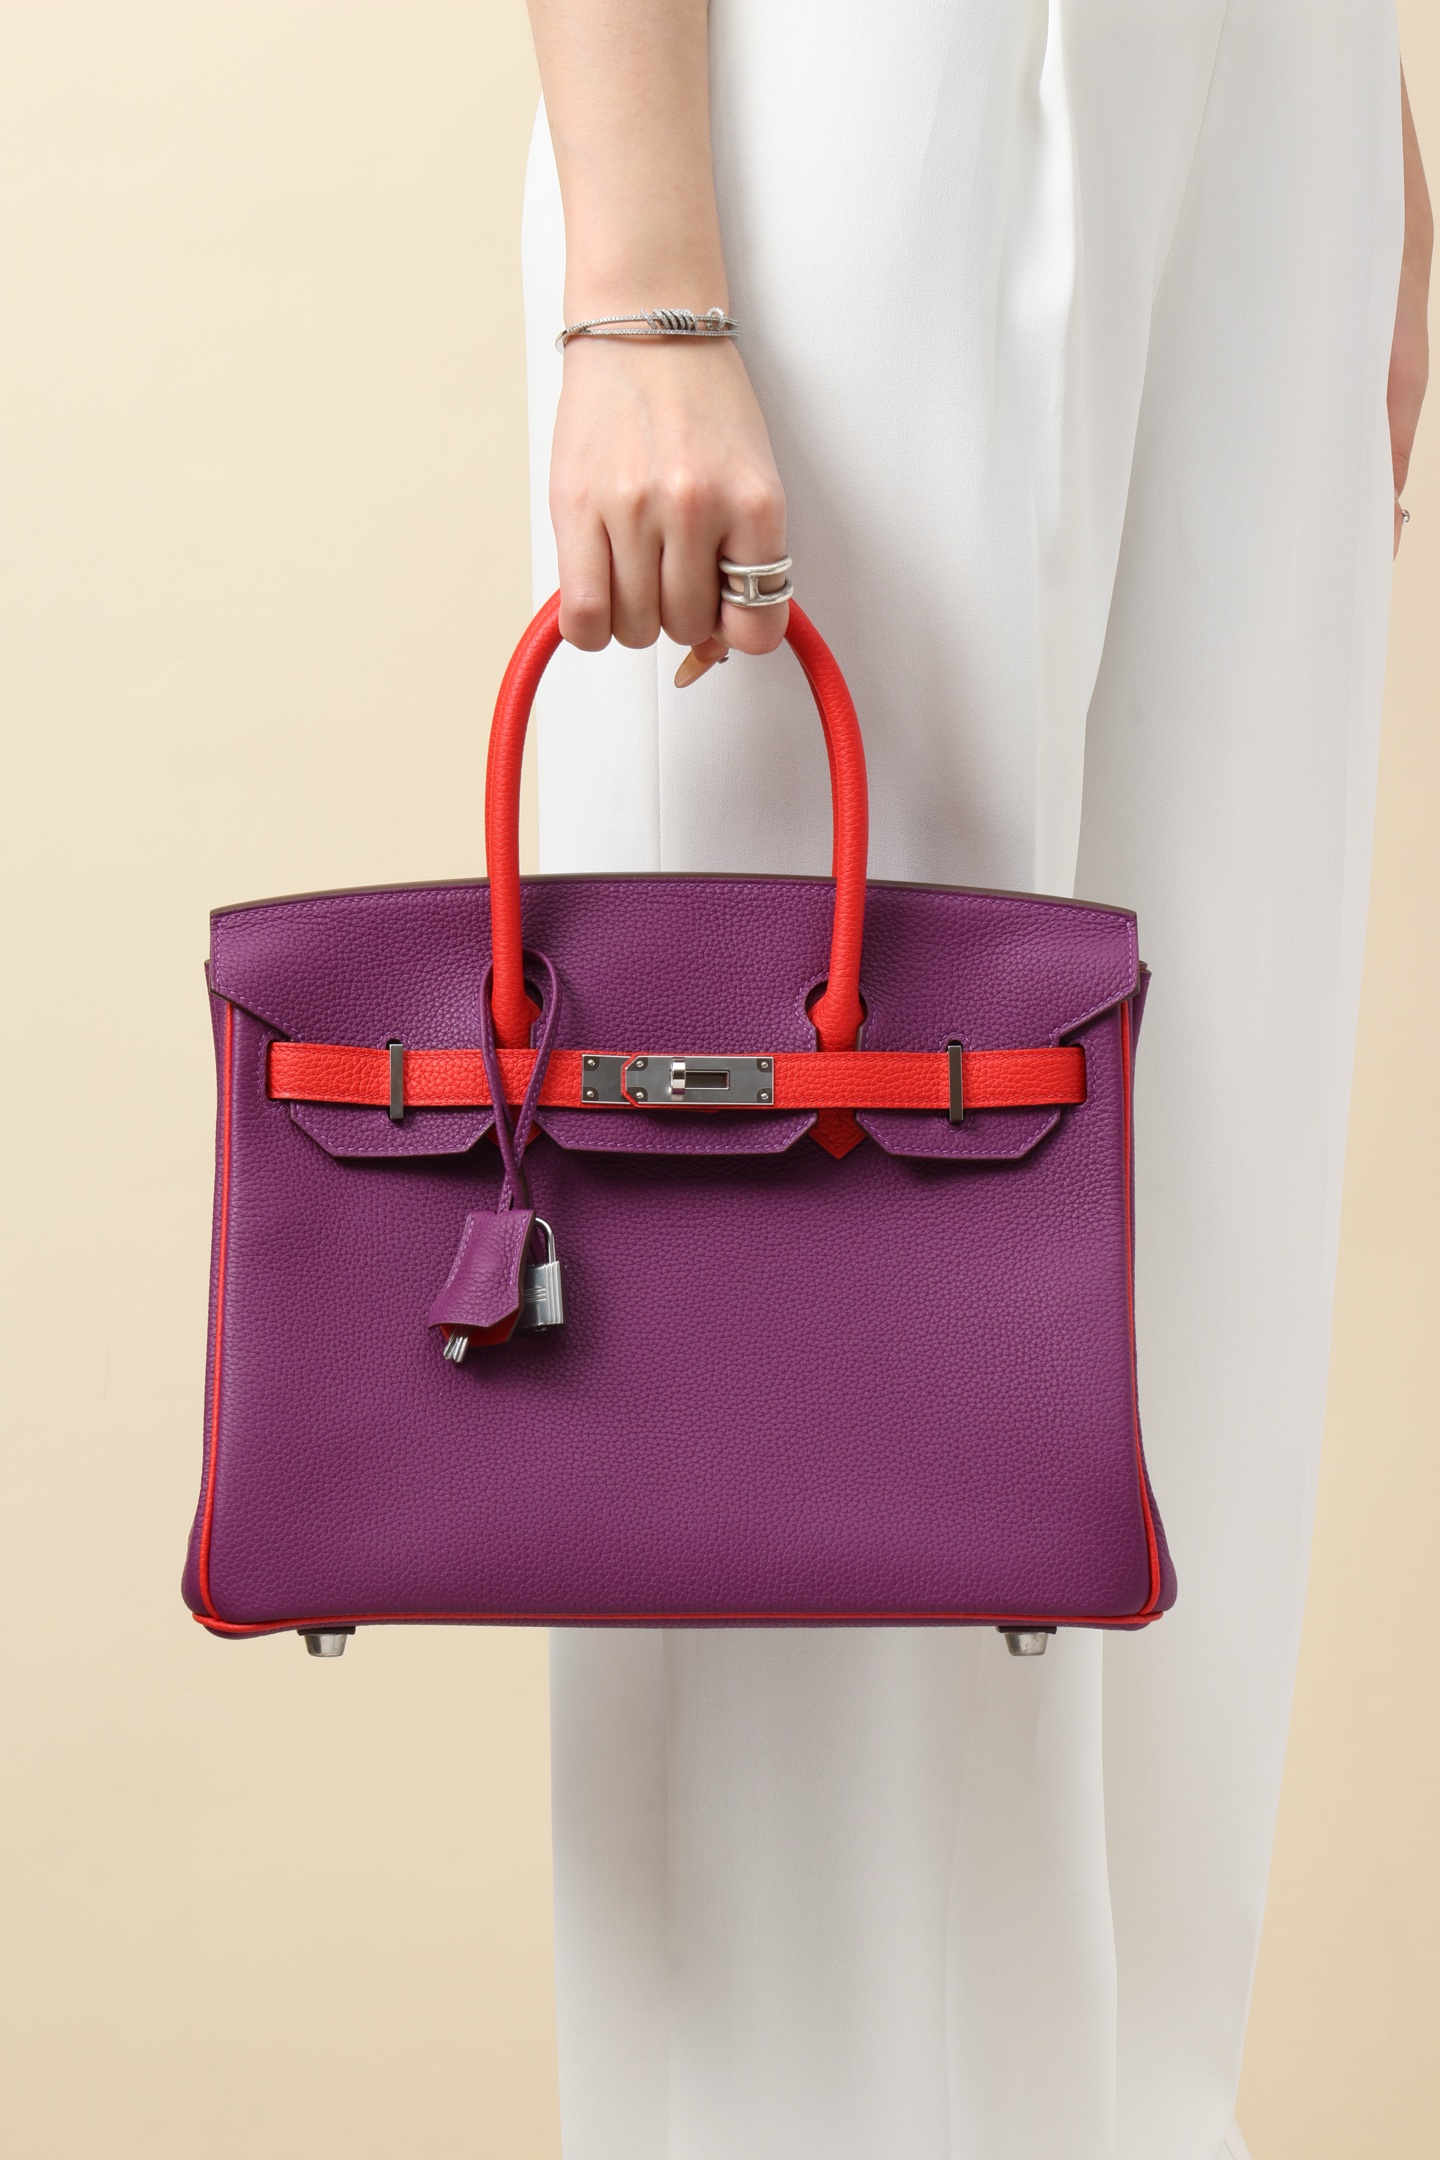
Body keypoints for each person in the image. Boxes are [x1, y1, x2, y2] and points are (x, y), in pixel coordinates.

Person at [519, 6, 1431, 2157]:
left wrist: (1359, 106)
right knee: (811, 1325)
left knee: (1187, 1283)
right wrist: (640, 282)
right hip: (848, 77)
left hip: (1268, 88)